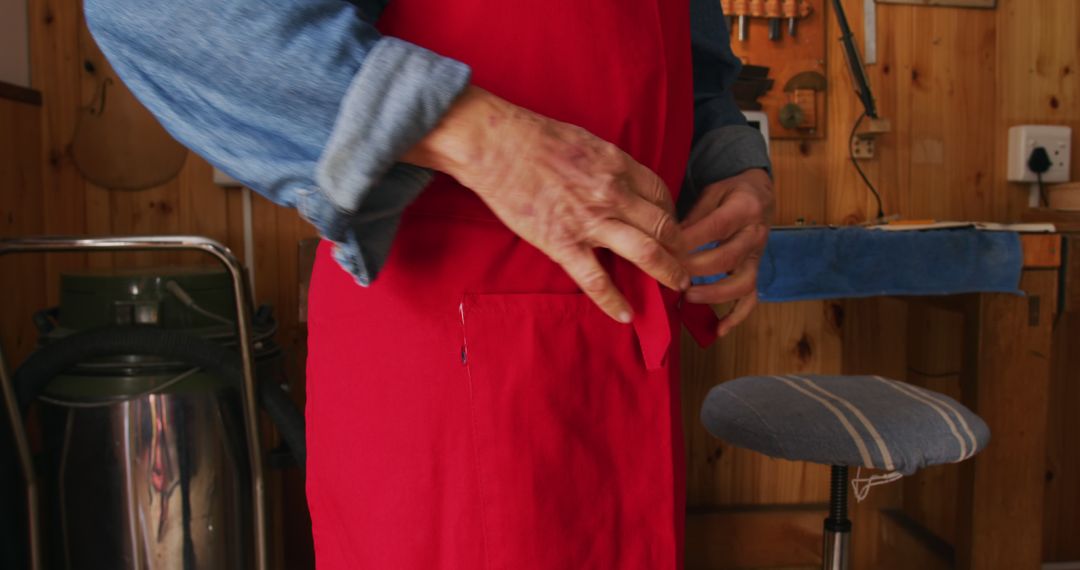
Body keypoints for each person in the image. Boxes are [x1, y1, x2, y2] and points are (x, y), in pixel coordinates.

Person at [85, 0, 773, 567]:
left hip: (623, 371)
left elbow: (695, 67)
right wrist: (479, 137)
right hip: (453, 370)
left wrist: (731, 164)